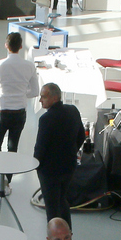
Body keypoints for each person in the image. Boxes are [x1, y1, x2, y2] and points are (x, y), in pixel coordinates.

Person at [0, 31, 40, 189]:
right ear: (21, 47)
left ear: (6, 46)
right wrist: (22, 95)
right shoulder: (29, 66)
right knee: (13, 147)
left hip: (1, 112)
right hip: (19, 113)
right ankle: (8, 181)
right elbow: (35, 91)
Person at [34, 82, 83, 226]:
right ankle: (68, 235)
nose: (40, 100)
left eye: (43, 97)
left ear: (54, 98)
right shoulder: (73, 110)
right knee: (62, 201)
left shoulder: (46, 119)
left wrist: (36, 164)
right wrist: (72, 152)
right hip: (69, 167)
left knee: (52, 208)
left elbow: (40, 147)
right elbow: (81, 136)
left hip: (49, 172)